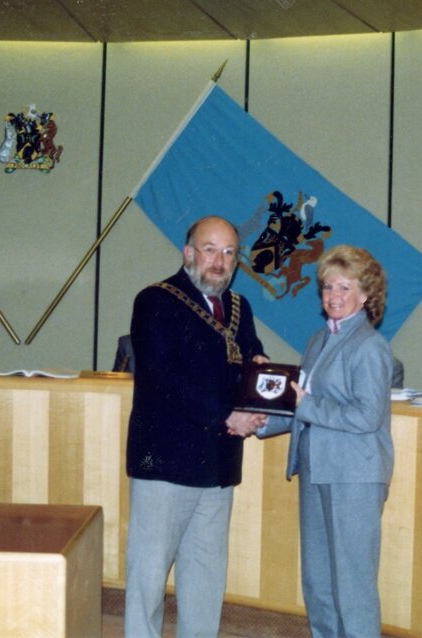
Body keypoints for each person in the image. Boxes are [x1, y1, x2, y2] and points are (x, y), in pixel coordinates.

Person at [124, 215, 269, 638]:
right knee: (148, 579)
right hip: (165, 464)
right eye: (210, 249)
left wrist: (261, 380)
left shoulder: (241, 308)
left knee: (205, 580)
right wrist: (227, 415)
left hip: (218, 465)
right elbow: (163, 379)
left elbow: (253, 356)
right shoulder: (155, 301)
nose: (219, 262)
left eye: (229, 253)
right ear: (188, 253)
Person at [261, 244, 394, 638]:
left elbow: (365, 416)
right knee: (318, 581)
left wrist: (308, 405)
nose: (333, 296)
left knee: (353, 585)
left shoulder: (370, 347)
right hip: (317, 470)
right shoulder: (318, 341)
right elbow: (301, 407)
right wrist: (258, 421)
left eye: (344, 288)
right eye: (327, 288)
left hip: (354, 477)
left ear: (366, 295)